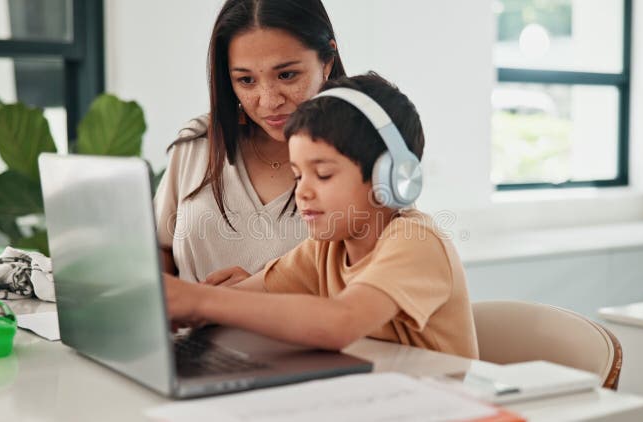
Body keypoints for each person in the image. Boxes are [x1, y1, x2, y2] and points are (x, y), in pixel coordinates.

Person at [164, 73, 479, 358]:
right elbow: (243, 298)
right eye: (298, 176)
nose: (302, 192)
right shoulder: (325, 249)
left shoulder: (416, 242)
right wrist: (184, 303)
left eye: (324, 175)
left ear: (392, 177)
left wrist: (200, 301)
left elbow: (340, 322)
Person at [154, 0, 346, 284]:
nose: (269, 101)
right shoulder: (199, 143)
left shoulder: (364, 154)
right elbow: (160, 248)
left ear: (326, 61)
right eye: (246, 80)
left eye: (287, 75)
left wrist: (258, 294)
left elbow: (380, 287)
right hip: (187, 329)